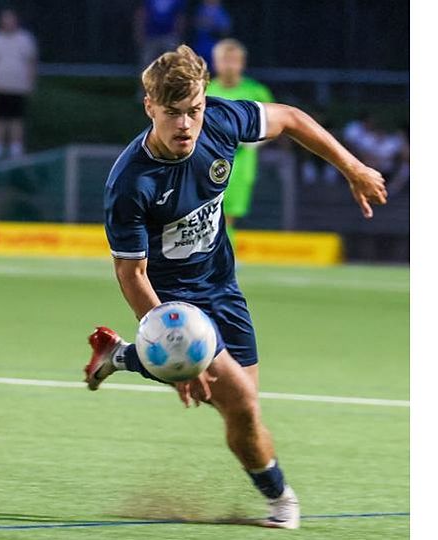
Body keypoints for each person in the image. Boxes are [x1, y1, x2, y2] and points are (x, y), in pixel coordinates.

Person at [83, 45, 387, 529]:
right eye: (172, 114)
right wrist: (173, 342)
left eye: (194, 111)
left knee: (245, 416)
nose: (186, 125)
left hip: (223, 286)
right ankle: (282, 503)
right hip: (174, 303)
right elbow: (132, 274)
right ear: (149, 107)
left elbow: (288, 117)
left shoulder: (222, 121)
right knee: (240, 401)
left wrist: (352, 168)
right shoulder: (130, 184)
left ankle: (119, 355)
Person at [205, 39, 273, 237]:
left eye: (233, 60)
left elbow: (275, 124)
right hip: (207, 161)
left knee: (228, 216)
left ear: (242, 63)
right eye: (224, 60)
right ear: (215, 63)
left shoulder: (256, 91)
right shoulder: (205, 89)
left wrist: (255, 141)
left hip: (240, 164)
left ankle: (224, 261)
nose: (228, 65)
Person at [0, 8, 38, 159]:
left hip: (18, 88)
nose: (8, 23)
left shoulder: (25, 39)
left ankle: (16, 147)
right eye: (5, 20)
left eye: (10, 19)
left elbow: (31, 63)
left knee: (16, 119)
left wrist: (30, 83)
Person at [134, 0, 186, 72]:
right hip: (151, 36)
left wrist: (178, 36)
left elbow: (180, 18)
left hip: (169, 36)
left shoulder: (177, 1)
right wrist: (139, 32)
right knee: (147, 65)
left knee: (172, 65)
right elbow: (142, 14)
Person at [191, 0, 231, 66]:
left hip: (214, 44)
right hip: (199, 43)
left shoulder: (221, 12)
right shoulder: (198, 9)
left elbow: (225, 29)